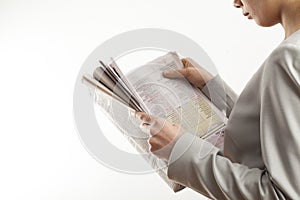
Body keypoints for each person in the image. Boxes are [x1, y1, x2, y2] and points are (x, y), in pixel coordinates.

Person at [134, 0, 300, 199]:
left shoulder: (287, 57)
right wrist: (216, 92)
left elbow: (284, 195)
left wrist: (181, 151)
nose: (236, 2)